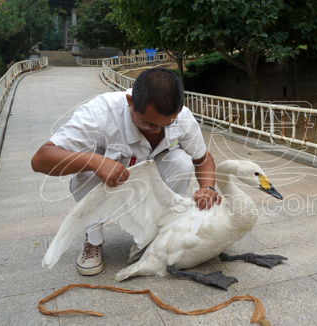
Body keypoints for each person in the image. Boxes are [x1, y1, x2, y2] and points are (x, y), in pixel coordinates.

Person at [31, 68, 221, 276]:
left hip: (151, 183)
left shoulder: (182, 117)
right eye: (149, 124)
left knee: (181, 161)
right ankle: (93, 240)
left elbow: (202, 159)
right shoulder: (99, 113)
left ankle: (156, 235)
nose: (159, 131)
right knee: (85, 176)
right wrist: (95, 161)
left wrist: (207, 187)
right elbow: (40, 159)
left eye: (168, 124)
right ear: (130, 101)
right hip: (111, 184)